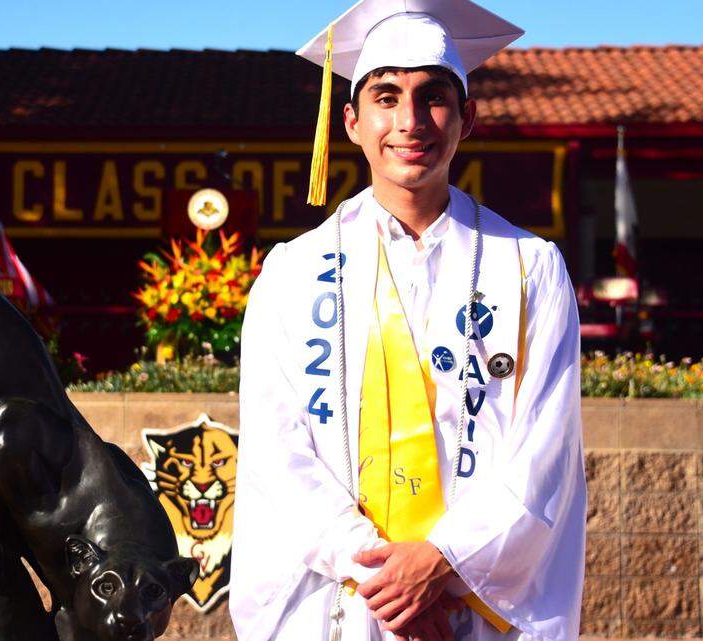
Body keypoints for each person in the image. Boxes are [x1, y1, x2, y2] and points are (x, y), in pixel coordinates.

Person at [229, 1, 586, 641]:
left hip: (471, 611)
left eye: (434, 98)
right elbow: (276, 459)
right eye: (386, 97)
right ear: (352, 121)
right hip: (338, 607)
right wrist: (388, 580)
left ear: (468, 117)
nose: (411, 122)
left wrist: (441, 560)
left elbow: (546, 454)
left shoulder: (530, 270)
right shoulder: (291, 274)